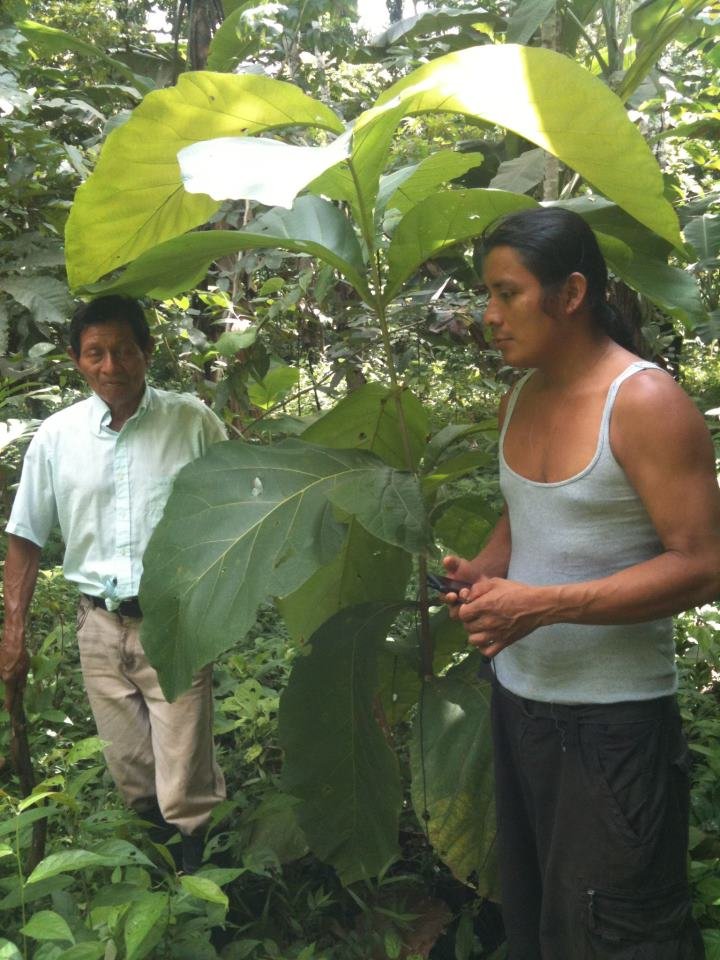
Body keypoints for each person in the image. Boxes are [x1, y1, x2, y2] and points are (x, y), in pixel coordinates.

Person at [443, 207, 719, 959]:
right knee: (540, 918)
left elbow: (703, 565)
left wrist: (543, 606)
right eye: (487, 294)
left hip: (613, 730)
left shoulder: (645, 402)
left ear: (570, 293)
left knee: (619, 931)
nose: (489, 315)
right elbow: (525, 520)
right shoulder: (520, 396)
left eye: (506, 294)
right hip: (519, 706)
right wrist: (484, 572)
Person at [0, 295, 227, 873]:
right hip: (98, 627)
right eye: (95, 353)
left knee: (184, 775)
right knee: (130, 768)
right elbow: (25, 536)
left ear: (147, 351)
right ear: (76, 359)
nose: (111, 366)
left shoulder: (192, 422)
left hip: (175, 622)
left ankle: (196, 885)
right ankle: (158, 874)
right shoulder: (57, 437)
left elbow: (236, 508)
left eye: (124, 350)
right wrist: (14, 632)